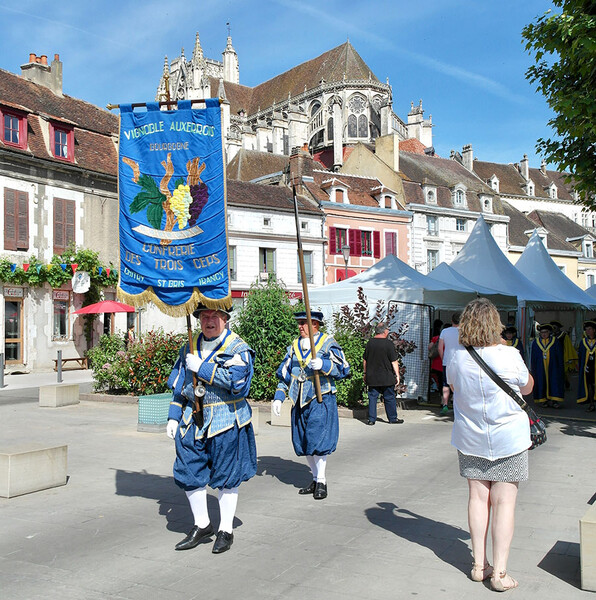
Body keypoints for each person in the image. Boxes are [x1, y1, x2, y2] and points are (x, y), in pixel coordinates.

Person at [447, 298, 533, 592]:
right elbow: (528, 386)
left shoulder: (458, 357)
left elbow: (455, 387)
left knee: (477, 497)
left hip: (471, 436)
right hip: (508, 436)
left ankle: (478, 565)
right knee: (504, 502)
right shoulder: (510, 355)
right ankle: (500, 573)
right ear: (495, 324)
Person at [166, 303, 257, 554]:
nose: (208, 321)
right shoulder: (189, 345)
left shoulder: (238, 347)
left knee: (227, 474)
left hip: (227, 418)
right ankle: (202, 524)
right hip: (192, 418)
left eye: (214, 316)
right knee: (188, 469)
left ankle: (225, 529)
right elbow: (178, 385)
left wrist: (202, 368)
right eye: (204, 316)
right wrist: (173, 416)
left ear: (225, 319)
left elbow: (237, 383)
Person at [272, 310, 350, 500]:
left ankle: (322, 481)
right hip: (299, 399)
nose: (301, 326)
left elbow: (343, 369)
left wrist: (323, 365)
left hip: (320, 398)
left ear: (315, 324)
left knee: (319, 440)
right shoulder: (294, 346)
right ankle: (315, 479)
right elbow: (285, 374)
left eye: (305, 322)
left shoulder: (328, 343)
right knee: (305, 441)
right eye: (299, 322)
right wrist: (278, 397)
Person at [363, 321, 403, 426]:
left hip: (372, 376)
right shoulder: (388, 344)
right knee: (389, 397)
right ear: (385, 331)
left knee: (372, 397)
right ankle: (392, 418)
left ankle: (371, 419)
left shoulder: (370, 343)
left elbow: (365, 360)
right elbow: (394, 361)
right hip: (386, 376)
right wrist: (397, 375)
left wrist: (365, 373)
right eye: (388, 330)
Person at [530, 323, 565, 408]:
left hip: (553, 367)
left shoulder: (555, 341)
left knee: (554, 382)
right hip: (540, 367)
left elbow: (559, 355)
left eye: (545, 332)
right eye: (542, 332)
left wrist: (560, 366)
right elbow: (533, 356)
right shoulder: (536, 342)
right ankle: (543, 400)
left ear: (549, 332)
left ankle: (554, 400)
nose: (544, 334)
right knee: (541, 381)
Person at [438, 312, 461, 416]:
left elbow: (439, 347)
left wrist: (443, 358)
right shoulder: (464, 332)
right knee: (459, 384)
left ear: (452, 320)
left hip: (447, 361)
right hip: (461, 361)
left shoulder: (444, 331)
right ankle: (459, 405)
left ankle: (445, 405)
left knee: (446, 384)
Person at [551, 320, 578, 389]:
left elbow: (568, 346)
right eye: (552, 328)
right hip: (553, 356)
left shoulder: (563, 336)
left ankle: (566, 382)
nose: (553, 329)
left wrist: (569, 357)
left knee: (564, 372)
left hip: (562, 355)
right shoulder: (551, 337)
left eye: (555, 327)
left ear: (558, 328)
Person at [577, 320, 596, 412]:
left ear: (594, 330)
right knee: (589, 385)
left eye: (590, 329)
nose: (588, 331)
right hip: (588, 368)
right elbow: (581, 355)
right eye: (586, 329)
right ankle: (591, 404)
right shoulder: (583, 342)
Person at [429, 319, 444, 393]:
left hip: (436, 362)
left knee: (440, 379)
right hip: (447, 362)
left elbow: (429, 347)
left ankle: (441, 397)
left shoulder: (436, 337)